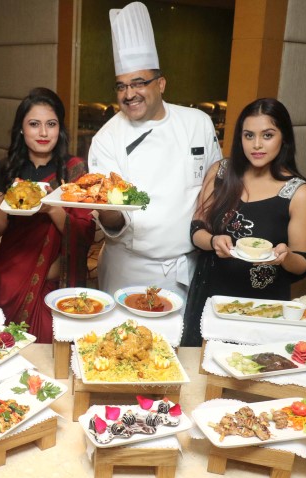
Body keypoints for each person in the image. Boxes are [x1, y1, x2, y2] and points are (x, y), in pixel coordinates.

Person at [89, 2, 222, 303]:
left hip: (187, 266)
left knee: (183, 334)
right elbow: (114, 221)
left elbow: (215, 183)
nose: (129, 94)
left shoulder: (197, 123)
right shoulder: (107, 138)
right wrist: (104, 210)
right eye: (121, 86)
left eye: (139, 83)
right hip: (129, 269)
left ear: (161, 84)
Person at [182, 98, 306, 346]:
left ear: (284, 138)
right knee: (199, 364)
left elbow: (304, 264)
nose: (256, 144)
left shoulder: (299, 194)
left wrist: (286, 256)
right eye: (249, 135)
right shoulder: (221, 172)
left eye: (267, 135)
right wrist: (213, 241)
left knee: (249, 366)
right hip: (210, 296)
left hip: (262, 306)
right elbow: (197, 229)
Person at [0, 87, 95, 343]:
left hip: (51, 283)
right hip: (6, 276)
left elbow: (84, 234)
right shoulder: (6, 168)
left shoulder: (73, 170)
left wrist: (51, 207)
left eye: (51, 124)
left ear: (60, 128)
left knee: (45, 354)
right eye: (34, 124)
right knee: (0, 350)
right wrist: (6, 202)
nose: (43, 133)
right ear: (21, 129)